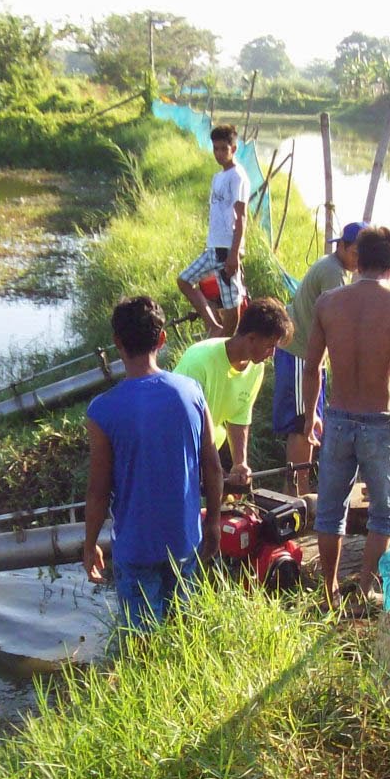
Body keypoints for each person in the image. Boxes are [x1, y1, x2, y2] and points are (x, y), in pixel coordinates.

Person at [302, 226, 390, 609]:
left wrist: (311, 416)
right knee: (383, 513)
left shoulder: (328, 303)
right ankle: (364, 590)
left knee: (330, 511)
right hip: (379, 421)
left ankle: (328, 590)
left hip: (339, 418)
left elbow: (313, 369)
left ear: (357, 260)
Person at [83, 297, 223, 629]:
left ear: (118, 343)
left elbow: (99, 492)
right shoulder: (191, 392)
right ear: (162, 340)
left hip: (136, 547)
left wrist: (90, 545)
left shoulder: (102, 410)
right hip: (184, 540)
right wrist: (214, 522)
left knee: (141, 642)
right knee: (181, 633)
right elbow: (213, 467)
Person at [273, 220, 364, 494]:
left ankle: (298, 490)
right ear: (344, 247)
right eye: (357, 253)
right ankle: (297, 494)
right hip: (302, 356)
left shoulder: (334, 268)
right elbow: (335, 323)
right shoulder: (333, 274)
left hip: (304, 355)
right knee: (303, 425)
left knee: (306, 423)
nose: (359, 260)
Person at [173, 296, 293, 485]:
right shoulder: (199, 361)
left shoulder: (255, 367)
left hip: (207, 447)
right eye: (270, 346)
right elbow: (180, 423)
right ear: (251, 338)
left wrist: (240, 463)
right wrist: (209, 467)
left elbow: (239, 416)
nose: (272, 354)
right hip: (174, 447)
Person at [177, 124, 251, 336]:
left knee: (231, 299)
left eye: (223, 149)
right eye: (215, 149)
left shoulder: (237, 176)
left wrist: (235, 253)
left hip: (227, 249)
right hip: (214, 246)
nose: (219, 154)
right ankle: (213, 325)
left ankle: (226, 341)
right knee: (184, 280)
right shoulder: (218, 177)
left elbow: (241, 216)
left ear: (234, 149)